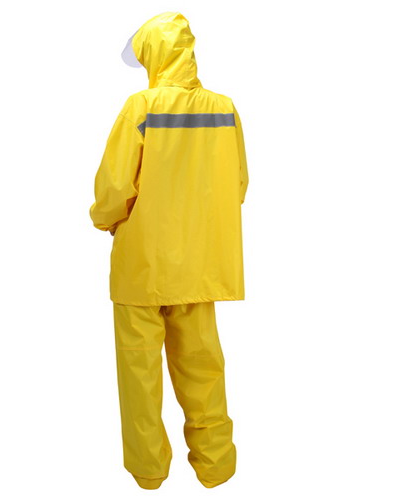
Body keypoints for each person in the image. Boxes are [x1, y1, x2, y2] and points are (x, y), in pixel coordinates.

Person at [89, 11, 249, 490]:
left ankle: (149, 472)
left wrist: (104, 220)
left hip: (142, 265)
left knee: (140, 375)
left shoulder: (140, 108)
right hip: (200, 265)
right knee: (203, 366)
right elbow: (238, 184)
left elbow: (114, 188)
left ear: (153, 55)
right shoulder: (225, 109)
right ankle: (217, 465)